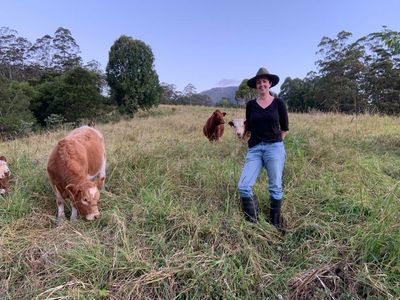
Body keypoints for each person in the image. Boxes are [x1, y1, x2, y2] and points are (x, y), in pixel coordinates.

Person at [238, 67, 289, 229]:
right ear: (256, 86)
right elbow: (249, 128)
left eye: (264, 81)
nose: (261, 84)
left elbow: (285, 128)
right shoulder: (251, 105)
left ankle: (275, 223)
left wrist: (274, 143)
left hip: (274, 147)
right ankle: (253, 223)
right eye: (259, 82)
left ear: (270, 84)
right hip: (254, 149)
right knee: (244, 186)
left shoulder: (279, 103)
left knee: (275, 186)